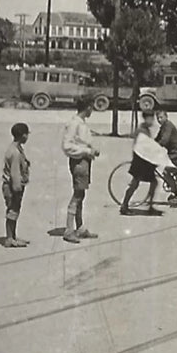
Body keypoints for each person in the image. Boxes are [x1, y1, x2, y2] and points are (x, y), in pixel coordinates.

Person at [61, 96, 101, 244]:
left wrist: (90, 149)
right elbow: (67, 146)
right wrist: (87, 151)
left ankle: (80, 227)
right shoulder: (74, 124)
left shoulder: (81, 123)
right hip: (78, 162)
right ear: (88, 107)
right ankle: (69, 230)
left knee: (81, 194)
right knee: (77, 195)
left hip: (84, 161)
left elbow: (82, 142)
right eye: (92, 107)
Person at [121, 110, 173, 215]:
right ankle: (125, 206)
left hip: (144, 160)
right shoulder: (141, 130)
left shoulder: (145, 129)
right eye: (151, 118)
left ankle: (149, 206)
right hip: (140, 161)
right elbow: (141, 147)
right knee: (135, 183)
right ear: (146, 118)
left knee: (152, 182)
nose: (153, 121)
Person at [0, 122, 30, 248]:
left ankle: (12, 236)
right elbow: (15, 173)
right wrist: (17, 189)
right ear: (22, 135)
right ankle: (9, 239)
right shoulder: (16, 153)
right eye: (27, 134)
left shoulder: (15, 148)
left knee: (14, 211)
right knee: (12, 211)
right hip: (13, 186)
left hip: (11, 185)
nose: (27, 137)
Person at [155, 109, 177, 206]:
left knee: (166, 171)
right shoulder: (163, 127)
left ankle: (176, 194)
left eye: (161, 117)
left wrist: (157, 146)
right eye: (158, 118)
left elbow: (164, 140)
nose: (159, 120)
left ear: (166, 117)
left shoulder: (168, 126)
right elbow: (157, 139)